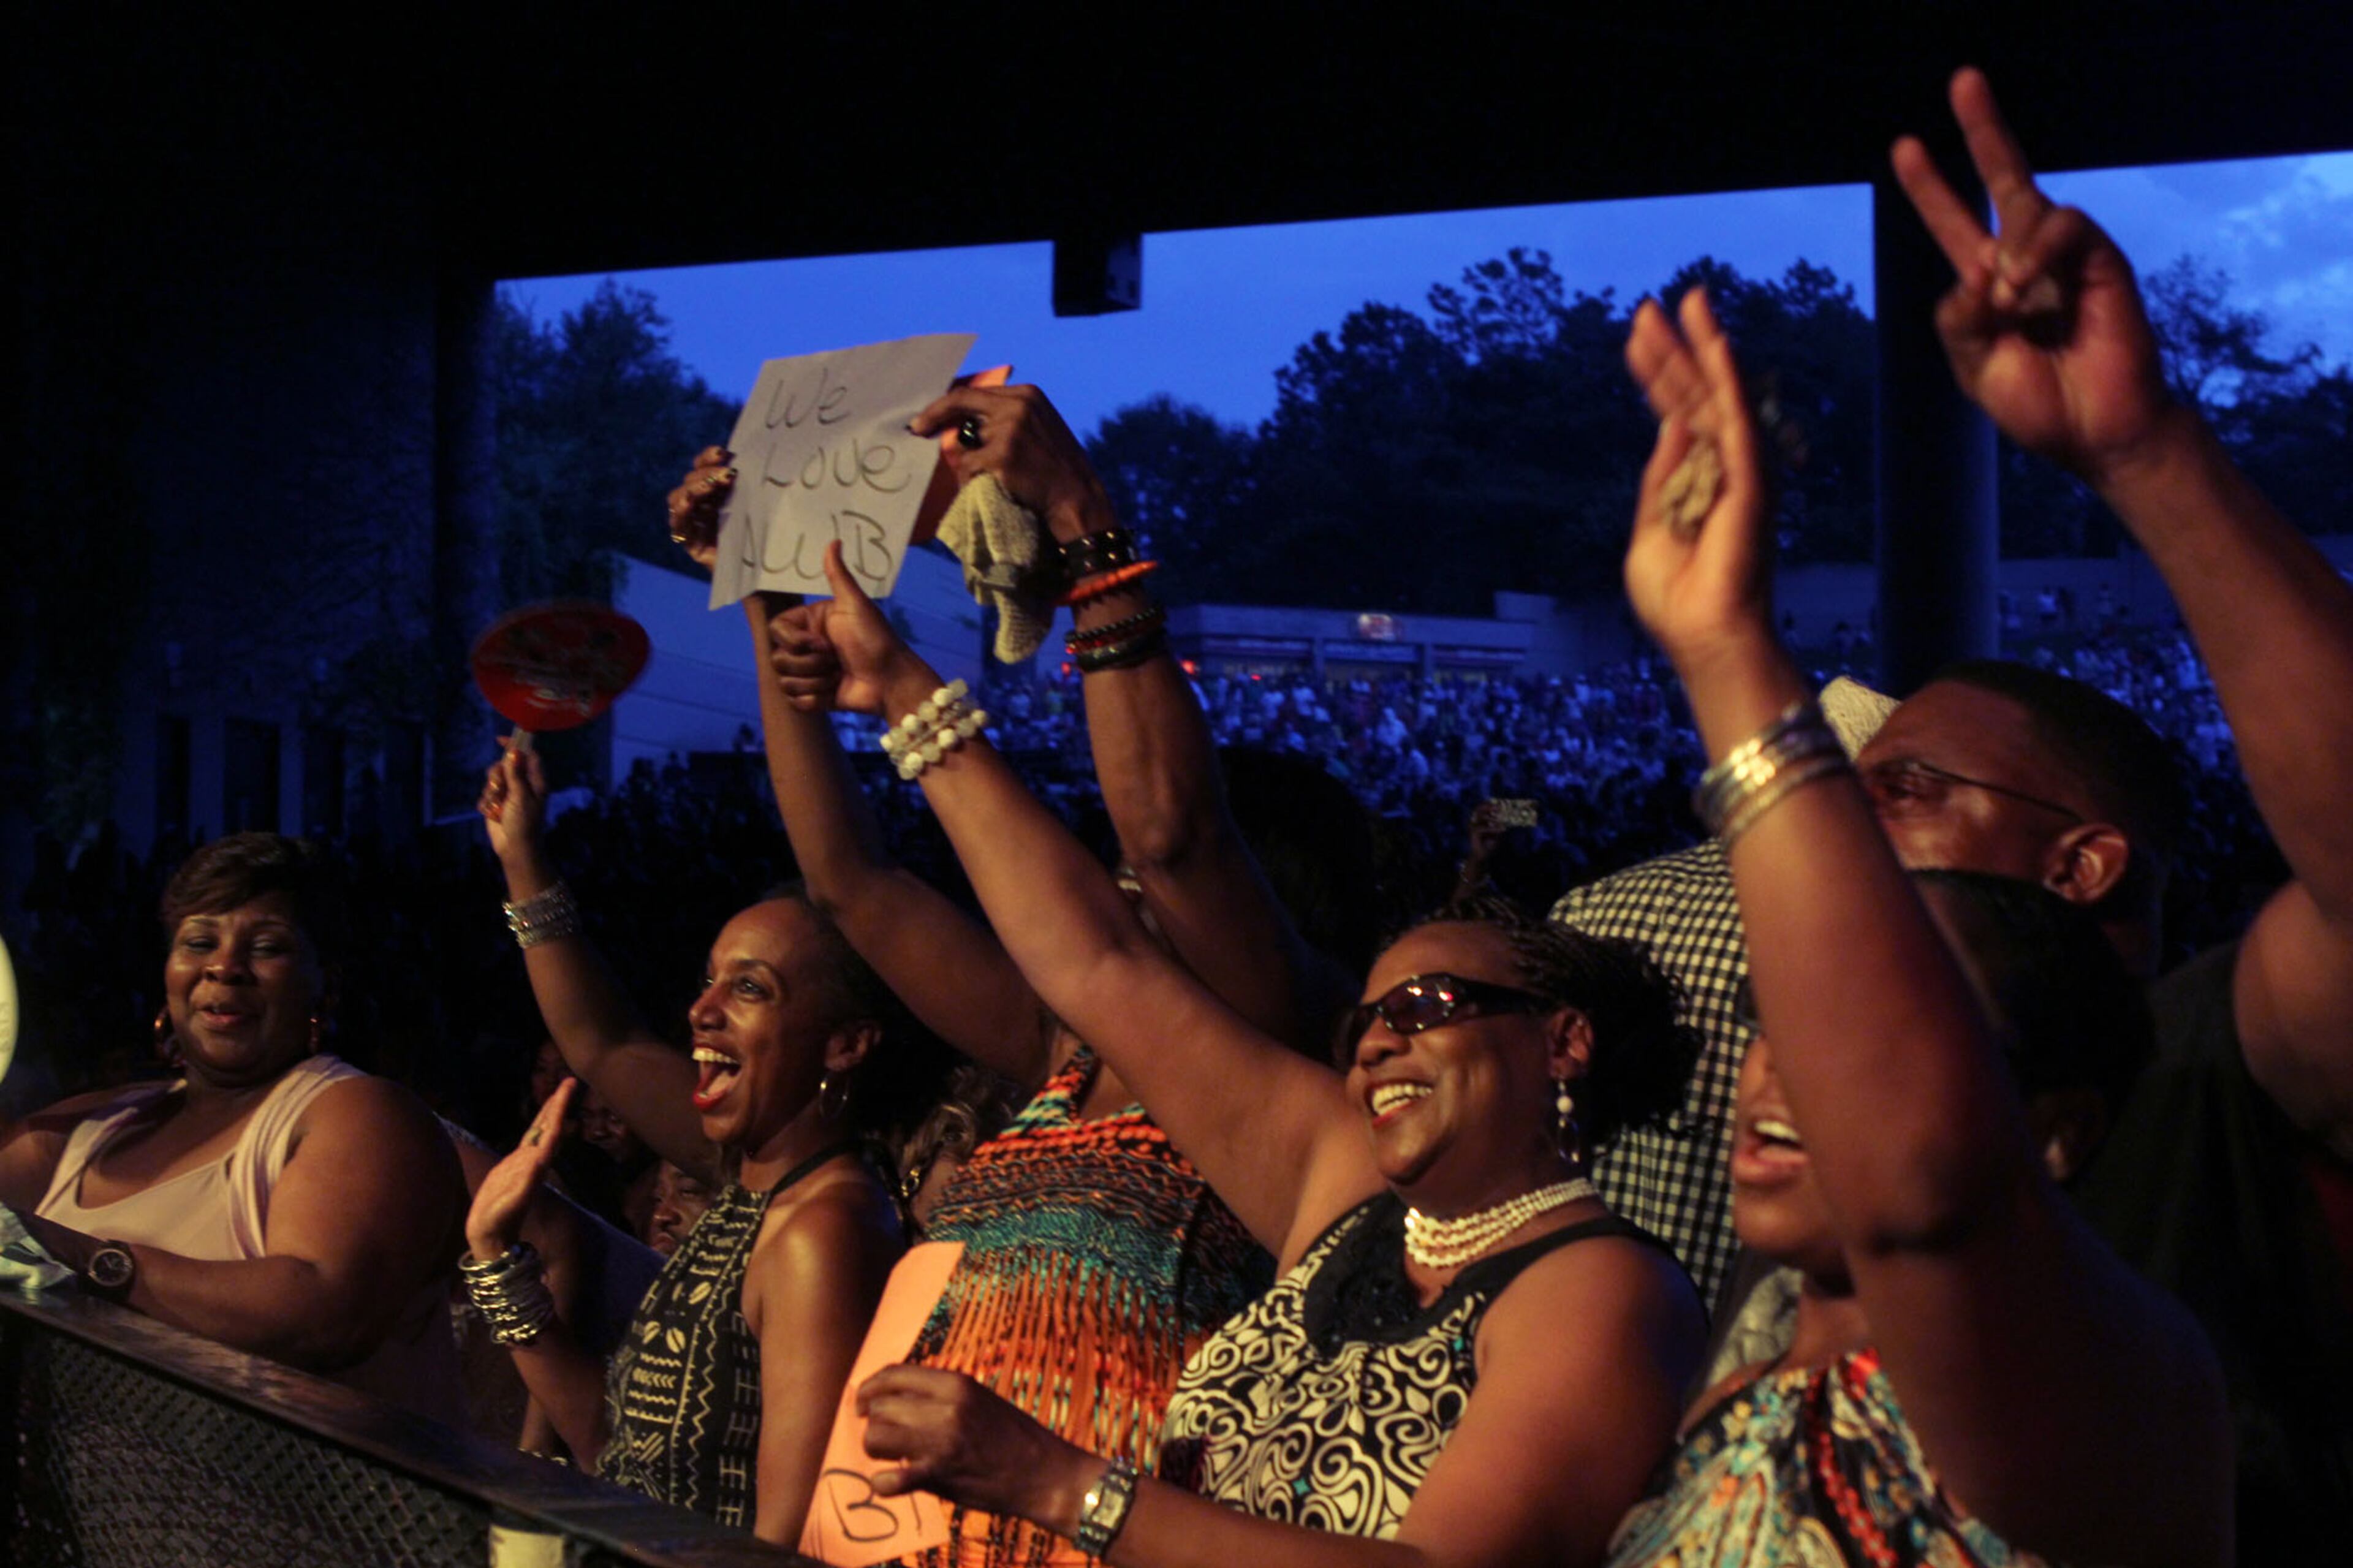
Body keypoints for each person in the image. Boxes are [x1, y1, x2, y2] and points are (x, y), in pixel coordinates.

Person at [1569, 69, 2353, 1554]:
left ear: (2080, 861)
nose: (1836, 825)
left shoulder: (2209, 1062)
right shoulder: (1773, 1302)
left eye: (1904, 793)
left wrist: (2144, 452)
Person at [772, 542, 1706, 1566]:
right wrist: (908, 693)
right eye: (1365, 1024)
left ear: (1561, 1039)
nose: (1380, 1036)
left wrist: (1056, 1480)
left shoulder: (1605, 1284)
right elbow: (1093, 960)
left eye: (1428, 1002)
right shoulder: (1348, 1197)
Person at [1603, 276, 2228, 1565]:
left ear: (2052, 1132)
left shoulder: (2120, 1349)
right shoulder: (1766, 1328)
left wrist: (1730, 659)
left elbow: (1925, 1186)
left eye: (1907, 788)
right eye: (1780, 1019)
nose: (1794, 1060)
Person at [668, 386, 1341, 1567]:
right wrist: (766, 584)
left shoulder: (1266, 1054)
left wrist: (1085, 519)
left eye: (1132, 886)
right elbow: (849, 886)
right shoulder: (1048, 1055)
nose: (1101, 885)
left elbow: (1173, 831)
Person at [468, 748, 929, 1545]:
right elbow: (618, 1453)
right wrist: (495, 1259)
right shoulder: (751, 1184)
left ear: (847, 1043)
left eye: (749, 988)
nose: (701, 1010)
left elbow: (781, 1544)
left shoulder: (821, 1232)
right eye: (709, 979)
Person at [0, 832, 466, 1422]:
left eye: (268, 947)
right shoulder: (96, 1125)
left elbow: (322, 1313)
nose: (225, 966)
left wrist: (90, 1259)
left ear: (327, 983)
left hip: (298, 1510)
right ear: (168, 974)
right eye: (199, 941)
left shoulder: (357, 1113)